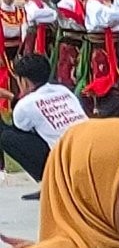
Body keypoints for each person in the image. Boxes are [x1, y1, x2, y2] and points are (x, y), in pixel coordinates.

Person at [2, 52, 86, 191]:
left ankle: (51, 184)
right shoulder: (63, 90)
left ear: (25, 81)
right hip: (86, 148)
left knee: (7, 137)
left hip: (66, 160)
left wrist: (10, 96)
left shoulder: (26, 104)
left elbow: (20, 128)